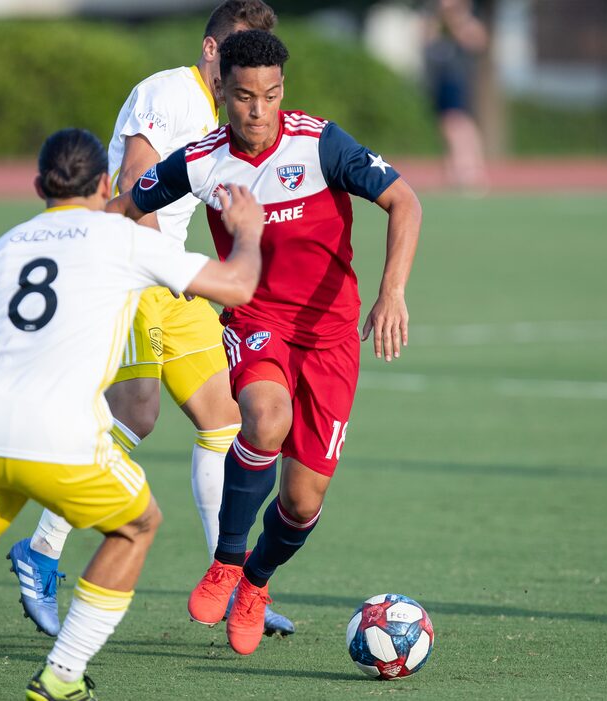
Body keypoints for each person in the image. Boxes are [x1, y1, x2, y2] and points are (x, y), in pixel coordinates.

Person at [0, 128, 264, 700]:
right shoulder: (122, 238)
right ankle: (61, 676)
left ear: (39, 186)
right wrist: (249, 235)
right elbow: (236, 287)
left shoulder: (3, 248)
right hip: (61, 437)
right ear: (107, 184)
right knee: (136, 526)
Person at [110, 30, 422, 656]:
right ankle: (226, 561)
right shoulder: (202, 159)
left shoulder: (321, 143)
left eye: (271, 96)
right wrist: (67, 237)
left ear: (284, 90)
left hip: (332, 335)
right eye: (246, 97)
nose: (259, 111)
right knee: (264, 416)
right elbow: (128, 207)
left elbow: (404, 201)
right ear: (221, 89)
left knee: (303, 502)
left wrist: (392, 292)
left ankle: (254, 581)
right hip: (257, 318)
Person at [9, 0, 294, 639]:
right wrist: (178, 266)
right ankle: (42, 550)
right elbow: (137, 182)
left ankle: (232, 577)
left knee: (226, 422)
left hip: (172, 277)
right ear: (212, 51)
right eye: (239, 57)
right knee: (135, 415)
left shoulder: (223, 111)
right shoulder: (172, 94)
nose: (249, 76)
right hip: (136, 273)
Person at [423, 0, 489, 192]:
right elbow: (427, 42)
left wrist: (456, 17)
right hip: (441, 84)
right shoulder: (436, 25)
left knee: (459, 125)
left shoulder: (466, 24)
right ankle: (455, 169)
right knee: (448, 127)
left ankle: (470, 171)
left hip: (459, 83)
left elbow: (477, 41)